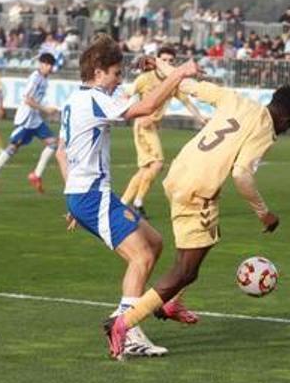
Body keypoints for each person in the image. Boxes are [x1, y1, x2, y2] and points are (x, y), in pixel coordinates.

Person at [102, 71, 290, 360]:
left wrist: (164, 68)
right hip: (197, 191)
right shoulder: (265, 129)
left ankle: (172, 303)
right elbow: (242, 175)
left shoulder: (237, 100)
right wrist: (264, 213)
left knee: (207, 239)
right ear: (286, 120)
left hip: (179, 175)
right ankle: (123, 324)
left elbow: (190, 86)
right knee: (186, 270)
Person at [58, 35, 203, 358]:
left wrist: (71, 195)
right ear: (98, 73)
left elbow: (60, 152)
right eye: (115, 73)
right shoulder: (95, 98)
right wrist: (180, 73)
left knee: (154, 242)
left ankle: (143, 309)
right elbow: (146, 106)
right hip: (91, 195)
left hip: (86, 194)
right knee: (142, 256)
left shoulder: (74, 99)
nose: (118, 80)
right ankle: (128, 328)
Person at [121, 47, 208, 219]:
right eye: (164, 60)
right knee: (158, 164)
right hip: (143, 126)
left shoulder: (173, 81)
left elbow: (187, 102)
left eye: (171, 61)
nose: (167, 63)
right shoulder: (145, 78)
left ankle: (124, 203)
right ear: (157, 61)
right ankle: (137, 203)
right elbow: (126, 95)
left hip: (153, 126)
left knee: (145, 169)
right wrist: (136, 114)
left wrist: (201, 119)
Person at [0, 53, 58, 194]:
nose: (49, 67)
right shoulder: (35, 78)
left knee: (54, 144)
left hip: (35, 119)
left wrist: (47, 109)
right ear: (41, 64)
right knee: (13, 148)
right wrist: (45, 110)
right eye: (47, 64)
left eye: (51, 65)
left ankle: (36, 175)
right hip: (26, 119)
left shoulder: (44, 79)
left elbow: (37, 99)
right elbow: (27, 99)